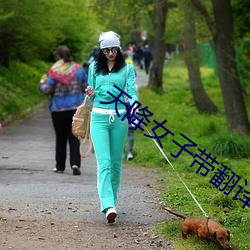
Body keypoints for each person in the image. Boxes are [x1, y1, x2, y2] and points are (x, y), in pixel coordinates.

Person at [85, 31, 138, 223]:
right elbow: (91, 97)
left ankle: (112, 201)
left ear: (119, 48)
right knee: (104, 162)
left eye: (114, 49)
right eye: (106, 50)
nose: (110, 53)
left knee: (116, 163)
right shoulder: (93, 68)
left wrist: (134, 110)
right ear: (101, 50)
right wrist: (90, 92)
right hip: (98, 117)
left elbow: (131, 92)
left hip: (120, 118)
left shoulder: (127, 68)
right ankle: (107, 205)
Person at [39, 45, 88, 175]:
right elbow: (86, 87)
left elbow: (47, 90)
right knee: (74, 137)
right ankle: (75, 163)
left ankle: (60, 166)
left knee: (60, 138)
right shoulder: (79, 70)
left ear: (58, 57)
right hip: (75, 109)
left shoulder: (54, 71)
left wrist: (42, 83)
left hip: (58, 109)